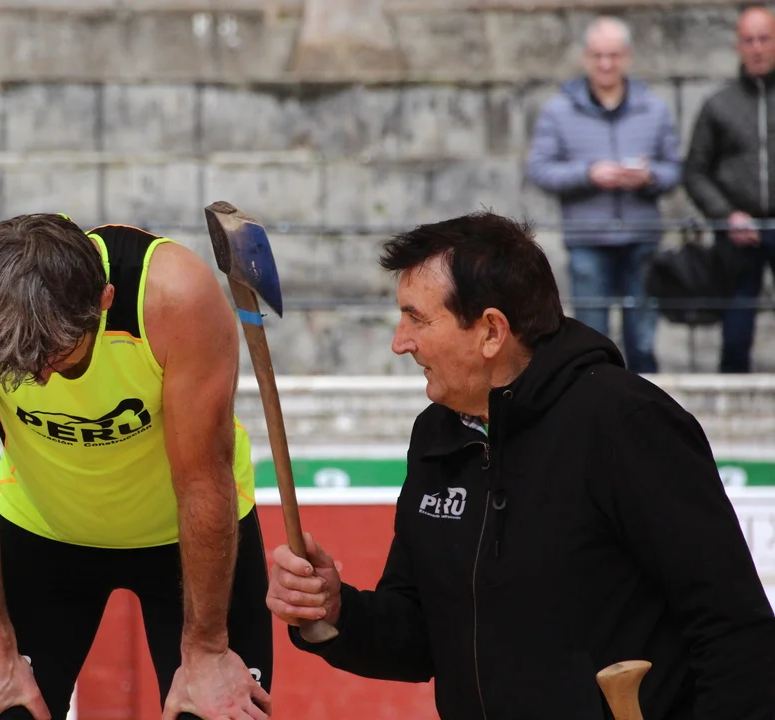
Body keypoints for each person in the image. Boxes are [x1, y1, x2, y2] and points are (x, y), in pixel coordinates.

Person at [265, 211, 775, 718]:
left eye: (416, 318)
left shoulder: (627, 422)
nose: (400, 342)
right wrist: (336, 611)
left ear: (491, 330)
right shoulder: (437, 433)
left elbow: (734, 632)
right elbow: (420, 633)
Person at [0, 213, 272, 720]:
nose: (39, 379)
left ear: (104, 301)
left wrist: (208, 649)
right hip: (43, 528)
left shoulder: (173, 297)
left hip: (188, 536)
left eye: (57, 356)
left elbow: (202, 480)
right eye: (17, 360)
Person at [526, 16, 681, 374]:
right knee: (590, 336)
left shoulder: (653, 107)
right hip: (587, 239)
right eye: (598, 55)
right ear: (585, 57)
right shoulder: (559, 110)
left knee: (642, 339)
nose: (606, 64)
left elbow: (675, 169)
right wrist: (588, 174)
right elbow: (540, 169)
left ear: (627, 57)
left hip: (641, 238)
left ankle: (645, 401)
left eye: (613, 55)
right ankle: (592, 401)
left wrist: (648, 176)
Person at [684, 4, 775, 373]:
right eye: (748, 40)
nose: (757, 48)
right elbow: (695, 171)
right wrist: (726, 215)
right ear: (738, 46)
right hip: (738, 232)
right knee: (736, 327)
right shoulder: (718, 105)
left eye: (764, 39)